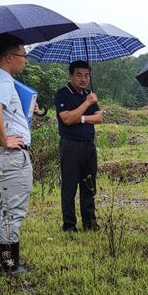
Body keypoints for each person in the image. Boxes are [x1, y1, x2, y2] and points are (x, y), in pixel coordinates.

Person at [0, 33, 33, 274]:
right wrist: (5, 140)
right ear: (9, 57)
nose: (25, 60)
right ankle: (10, 265)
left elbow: (2, 110)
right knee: (13, 211)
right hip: (9, 156)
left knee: (0, 207)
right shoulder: (4, 82)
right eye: (23, 55)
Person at [54, 60, 103, 232]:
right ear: (71, 75)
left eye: (87, 75)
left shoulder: (90, 94)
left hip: (89, 145)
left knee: (89, 184)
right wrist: (87, 104)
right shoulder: (63, 94)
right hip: (70, 145)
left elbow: (99, 118)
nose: (83, 79)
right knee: (70, 186)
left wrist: (81, 118)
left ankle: (90, 222)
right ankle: (69, 225)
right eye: (79, 75)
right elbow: (67, 119)